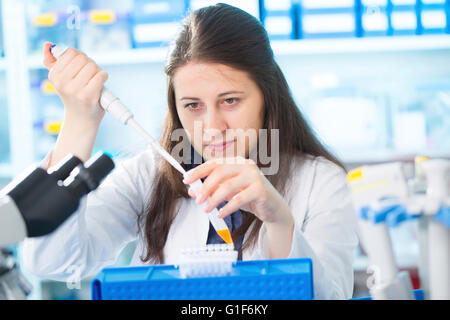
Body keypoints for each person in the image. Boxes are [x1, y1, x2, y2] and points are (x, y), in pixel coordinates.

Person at [23, 4, 358, 299]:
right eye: (193, 106)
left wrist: (279, 220)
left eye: (230, 100)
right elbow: (51, 260)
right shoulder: (149, 176)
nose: (213, 127)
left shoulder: (320, 181)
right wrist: (79, 125)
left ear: (267, 96)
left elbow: (331, 296)